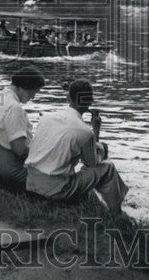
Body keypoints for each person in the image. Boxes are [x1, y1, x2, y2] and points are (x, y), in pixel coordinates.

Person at [24, 79, 128, 213]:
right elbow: (92, 163)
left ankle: (99, 201)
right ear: (90, 102)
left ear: (68, 98)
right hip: (55, 190)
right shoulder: (84, 131)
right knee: (108, 168)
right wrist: (96, 131)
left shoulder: (46, 117)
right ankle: (116, 212)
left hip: (31, 182)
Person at [0, 69, 46, 186]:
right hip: (4, 168)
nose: (33, 97)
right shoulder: (15, 108)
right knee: (48, 182)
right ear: (24, 87)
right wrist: (43, 160)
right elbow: (20, 150)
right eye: (33, 92)